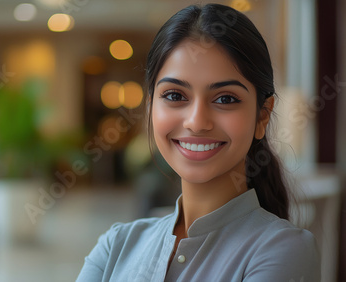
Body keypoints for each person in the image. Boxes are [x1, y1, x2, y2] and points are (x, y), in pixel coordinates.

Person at [76, 3, 321, 282]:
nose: (196, 121)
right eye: (175, 95)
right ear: (150, 108)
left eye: (225, 99)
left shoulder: (283, 251)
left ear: (261, 116)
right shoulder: (115, 247)